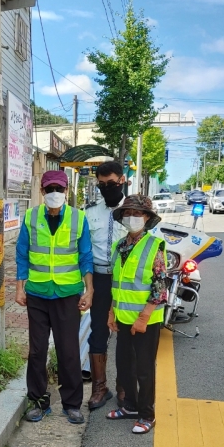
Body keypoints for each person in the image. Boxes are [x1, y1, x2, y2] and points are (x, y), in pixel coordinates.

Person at [15, 169, 94, 425]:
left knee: (68, 350)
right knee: (37, 351)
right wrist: (19, 288)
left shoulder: (78, 218)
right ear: (42, 191)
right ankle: (38, 402)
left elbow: (86, 257)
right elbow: (22, 254)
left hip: (67, 293)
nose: (54, 194)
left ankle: (72, 404)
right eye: (50, 189)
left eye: (59, 189)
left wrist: (89, 289)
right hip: (37, 293)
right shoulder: (30, 216)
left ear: (66, 191)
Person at [106, 195, 167, 434]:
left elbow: (160, 287)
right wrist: (111, 311)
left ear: (148, 218)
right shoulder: (119, 246)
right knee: (124, 365)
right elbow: (117, 283)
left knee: (144, 369)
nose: (132, 218)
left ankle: (147, 415)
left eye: (138, 214)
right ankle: (129, 406)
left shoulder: (154, 245)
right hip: (122, 316)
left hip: (146, 320)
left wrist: (143, 318)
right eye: (128, 213)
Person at [85, 161, 128, 410]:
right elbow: (85, 253)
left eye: (111, 183)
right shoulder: (90, 213)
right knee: (98, 333)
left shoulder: (134, 211)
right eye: (101, 185)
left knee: (124, 334)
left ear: (122, 180)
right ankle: (100, 388)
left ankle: (124, 389)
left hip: (125, 282)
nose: (106, 188)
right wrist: (88, 287)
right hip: (100, 280)